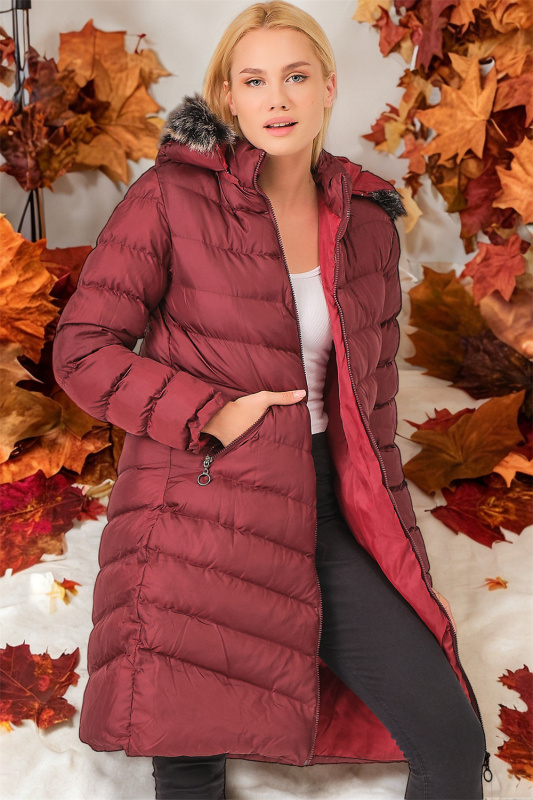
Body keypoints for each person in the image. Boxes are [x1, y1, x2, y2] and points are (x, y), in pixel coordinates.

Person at [52, 2, 492, 798]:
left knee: (452, 746)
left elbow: (372, 415)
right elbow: (82, 351)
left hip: (323, 511)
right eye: (253, 81)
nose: (276, 98)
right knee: (189, 760)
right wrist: (208, 414)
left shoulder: (367, 224)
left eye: (294, 76)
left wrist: (398, 552)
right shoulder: (170, 198)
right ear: (227, 95)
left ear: (328, 86)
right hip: (195, 510)